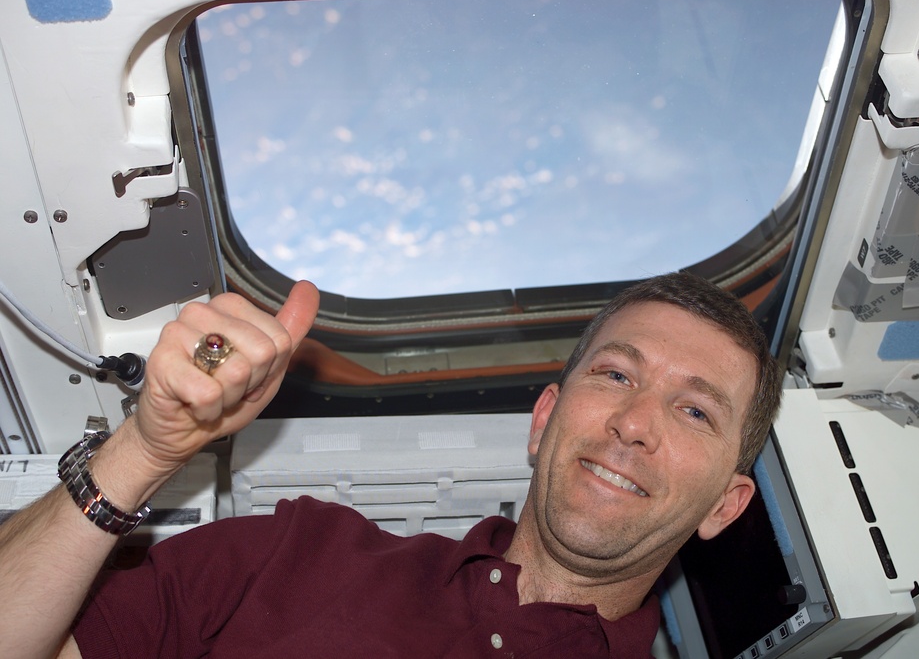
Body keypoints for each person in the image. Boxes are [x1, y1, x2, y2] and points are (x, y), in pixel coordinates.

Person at [0, 271, 781, 658]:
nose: (635, 421)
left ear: (725, 504)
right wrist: (147, 448)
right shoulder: (291, 554)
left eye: (695, 411)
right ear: (544, 421)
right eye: (616, 374)